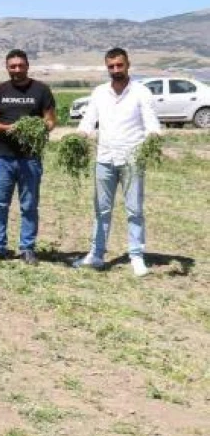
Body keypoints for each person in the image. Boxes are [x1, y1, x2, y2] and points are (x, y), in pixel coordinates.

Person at [72, 48, 162, 276]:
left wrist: (153, 137)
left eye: (119, 65)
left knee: (134, 209)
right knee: (101, 210)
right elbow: (88, 121)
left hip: (132, 159)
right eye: (111, 67)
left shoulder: (141, 92)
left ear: (128, 64)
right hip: (105, 158)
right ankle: (97, 254)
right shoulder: (100, 92)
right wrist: (78, 137)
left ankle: (136, 256)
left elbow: (151, 123)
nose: (115, 70)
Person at [0, 49, 57, 266]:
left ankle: (27, 248)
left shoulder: (41, 90)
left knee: (29, 205)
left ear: (27, 66)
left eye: (20, 66)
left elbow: (51, 121)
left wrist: (38, 128)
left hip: (30, 158)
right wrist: (9, 128)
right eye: (12, 66)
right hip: (3, 158)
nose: (16, 70)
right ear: (7, 67)